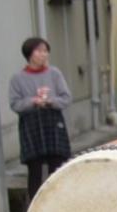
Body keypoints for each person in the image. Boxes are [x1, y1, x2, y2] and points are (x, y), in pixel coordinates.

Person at [8, 36, 72, 202]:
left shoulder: (55, 74)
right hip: (31, 125)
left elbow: (66, 98)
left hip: (52, 121)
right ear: (30, 54)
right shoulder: (18, 79)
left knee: (58, 165)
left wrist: (50, 101)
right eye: (39, 51)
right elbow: (15, 104)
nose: (44, 55)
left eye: (45, 51)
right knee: (34, 169)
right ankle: (35, 205)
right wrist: (33, 101)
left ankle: (60, 201)